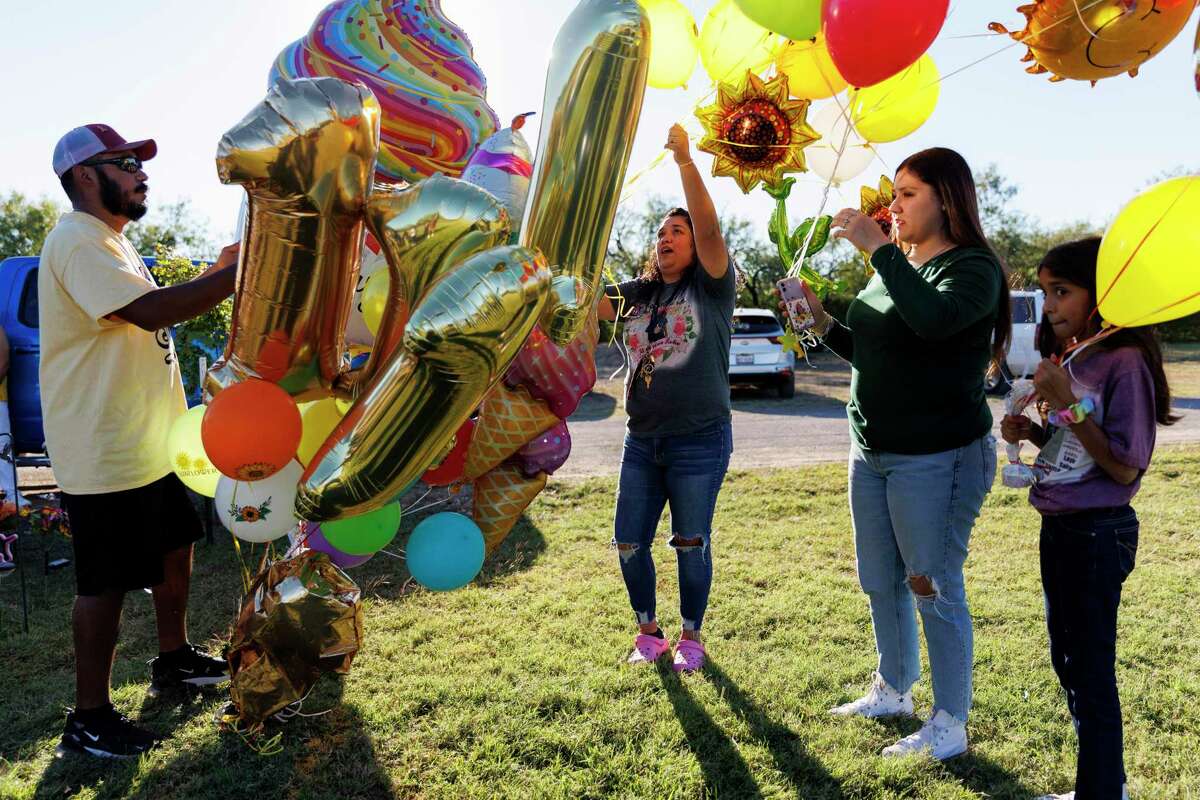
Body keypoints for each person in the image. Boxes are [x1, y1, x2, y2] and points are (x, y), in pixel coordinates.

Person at [796, 148, 1007, 759]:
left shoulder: (972, 269)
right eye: (897, 192)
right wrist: (821, 321)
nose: (895, 203)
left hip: (937, 457)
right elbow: (873, 350)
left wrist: (878, 249)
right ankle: (893, 688)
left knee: (931, 583)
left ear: (947, 198)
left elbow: (936, 323)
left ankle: (950, 721)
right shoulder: (900, 264)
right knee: (879, 578)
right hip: (873, 451)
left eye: (909, 192)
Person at [42, 124, 240, 758]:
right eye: (124, 163)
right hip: (104, 452)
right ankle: (90, 718)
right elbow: (152, 314)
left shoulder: (111, 242)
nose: (140, 173)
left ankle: (174, 660)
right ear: (84, 177)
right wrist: (237, 277)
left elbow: (144, 317)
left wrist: (214, 273)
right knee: (104, 585)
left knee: (175, 550)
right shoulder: (76, 240)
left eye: (138, 163)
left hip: (149, 444)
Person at [1001, 238, 1175, 800]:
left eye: (1062, 291)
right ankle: (1104, 785)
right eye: (1047, 290)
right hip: (1064, 529)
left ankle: (1101, 791)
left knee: (1090, 668)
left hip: (1099, 533)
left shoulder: (1124, 363)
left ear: (1103, 295)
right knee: (1070, 661)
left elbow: (1124, 466)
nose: (1048, 304)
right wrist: (1033, 432)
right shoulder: (1080, 355)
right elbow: (1076, 448)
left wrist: (1068, 402)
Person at [597, 123, 734, 673]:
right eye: (661, 231)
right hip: (642, 441)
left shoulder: (712, 286)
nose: (667, 237)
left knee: (690, 541)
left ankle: (692, 637)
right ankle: (648, 631)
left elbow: (710, 228)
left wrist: (684, 162)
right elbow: (595, 304)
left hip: (699, 438)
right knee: (629, 541)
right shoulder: (641, 293)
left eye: (677, 231)